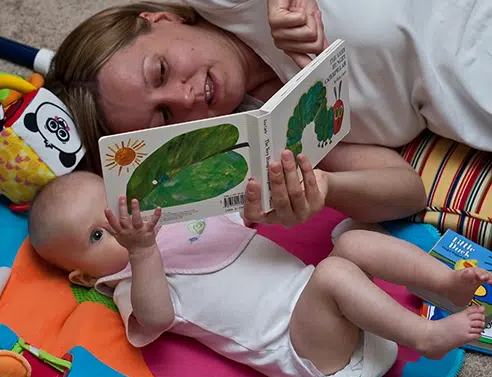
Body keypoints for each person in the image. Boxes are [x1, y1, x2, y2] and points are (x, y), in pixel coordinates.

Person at [28, 170, 489, 377]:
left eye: (113, 210)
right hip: (307, 349)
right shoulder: (130, 278)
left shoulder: (181, 221)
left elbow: (247, 213)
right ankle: (425, 337)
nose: (118, 228)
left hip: (345, 307)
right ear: (83, 274)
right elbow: (156, 317)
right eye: (96, 235)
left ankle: (444, 284)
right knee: (332, 271)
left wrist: (252, 199)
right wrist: (142, 251)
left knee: (354, 243)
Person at [45, 0, 435, 229]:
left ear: (160, 18)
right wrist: (326, 187)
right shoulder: (274, 134)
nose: (185, 98)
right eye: (164, 117)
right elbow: (408, 192)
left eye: (160, 71)